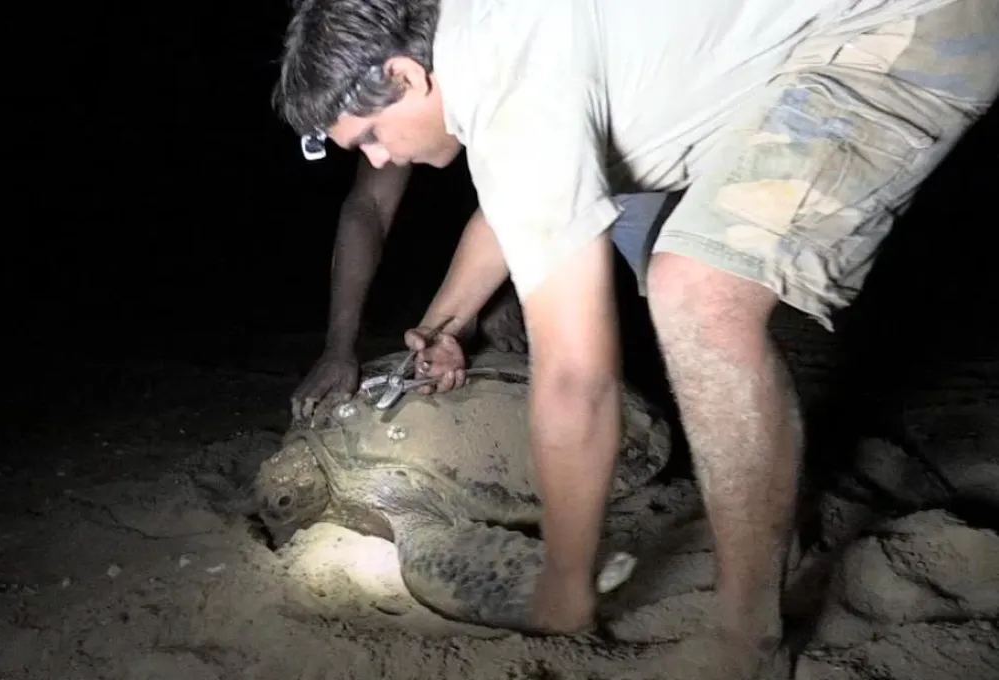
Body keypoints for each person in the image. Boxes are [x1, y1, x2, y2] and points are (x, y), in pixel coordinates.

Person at [273, 1, 999, 677]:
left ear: (403, 73)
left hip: (898, 23)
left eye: (369, 137)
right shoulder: (485, 41)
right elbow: (515, 204)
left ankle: (748, 640)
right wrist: (441, 328)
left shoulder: (510, 87)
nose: (375, 161)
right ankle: (772, 524)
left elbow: (577, 382)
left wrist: (562, 587)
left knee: (699, 293)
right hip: (796, 53)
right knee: (688, 278)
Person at [291, 154, 673, 421]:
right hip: (562, 172)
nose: (374, 154)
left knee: (686, 297)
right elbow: (367, 207)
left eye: (372, 134)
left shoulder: (498, 67)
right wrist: (339, 347)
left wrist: (498, 297)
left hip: (680, 143)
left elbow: (529, 196)